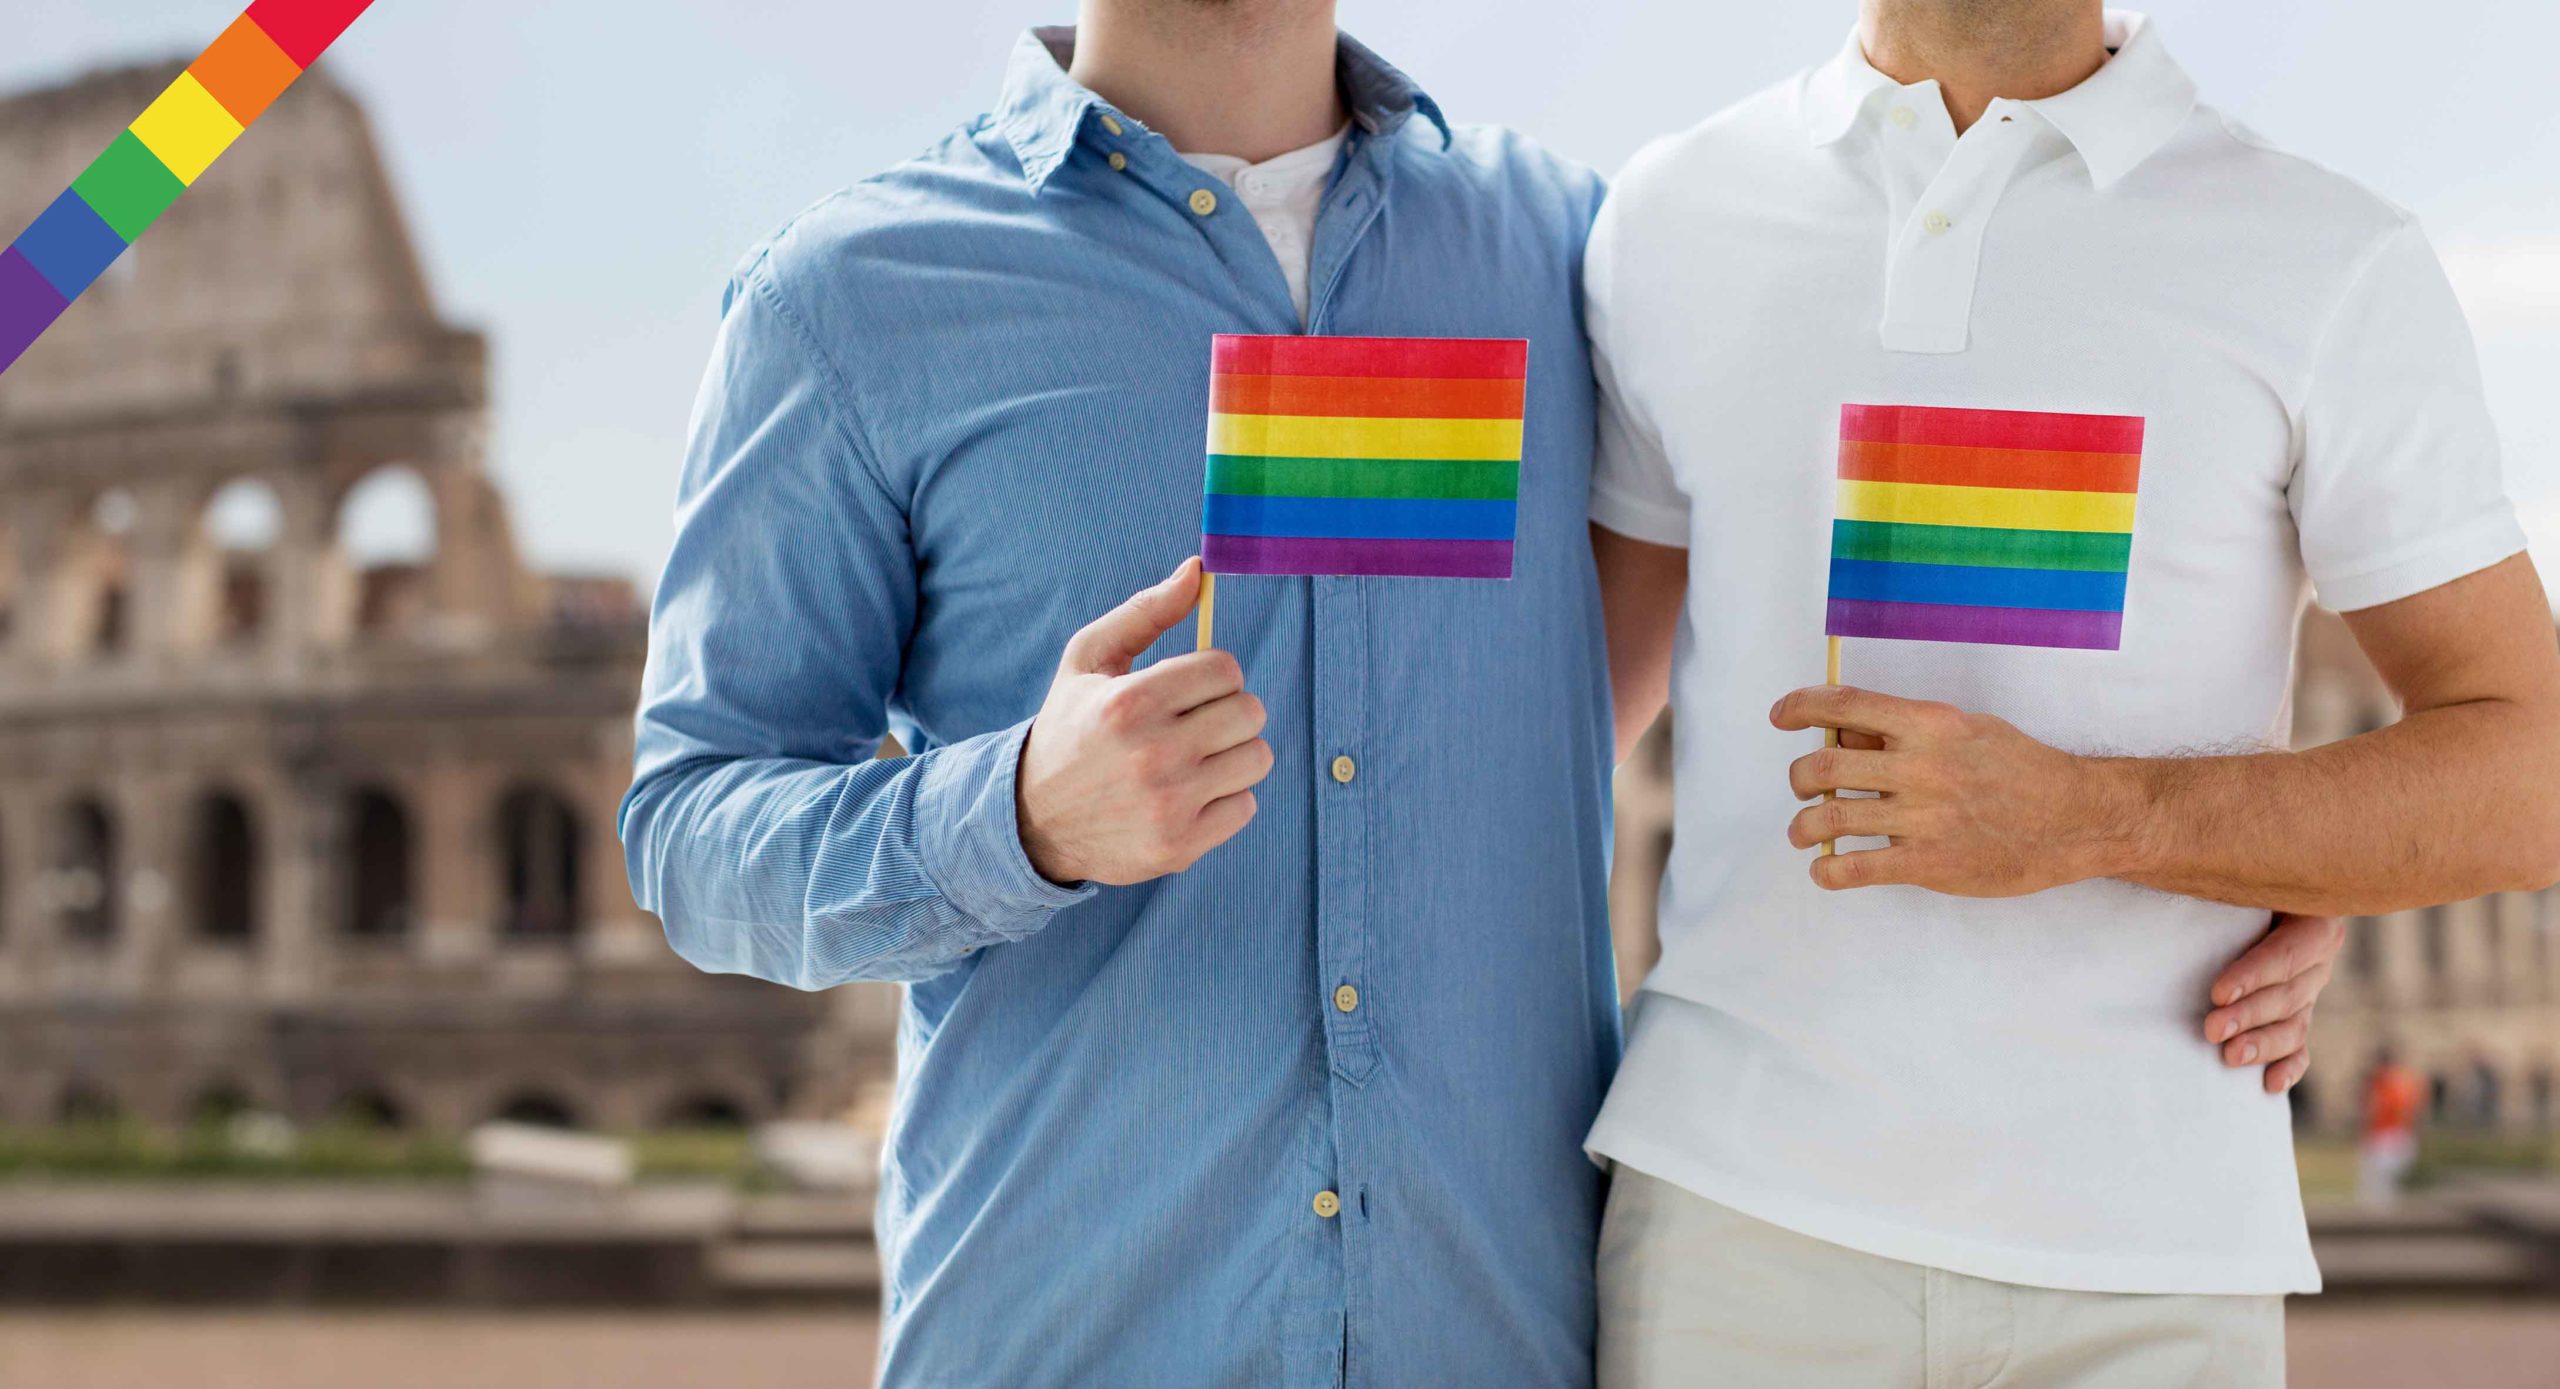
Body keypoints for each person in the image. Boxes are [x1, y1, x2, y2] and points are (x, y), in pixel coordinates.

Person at [625, 3, 2340, 1383]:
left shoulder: (1579, 251)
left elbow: (1848, 575)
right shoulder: (852, 297)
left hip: (1500, 1330)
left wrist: (2220, 853)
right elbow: (691, 825)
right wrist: (1009, 812)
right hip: (1074, 1324)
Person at [1585, 3, 2560, 1385]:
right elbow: (1561, 726)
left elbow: (2530, 778)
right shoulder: (1668, 216)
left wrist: (2115, 821)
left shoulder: (2326, 253)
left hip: (2152, 1267)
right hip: (1733, 1236)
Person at [2358, 1046, 2426, 1210]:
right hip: (2386, 1135)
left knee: (2385, 1186)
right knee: (2377, 1186)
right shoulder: (2385, 1083)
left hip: (2389, 1137)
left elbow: (2398, 1113)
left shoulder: (2395, 1085)